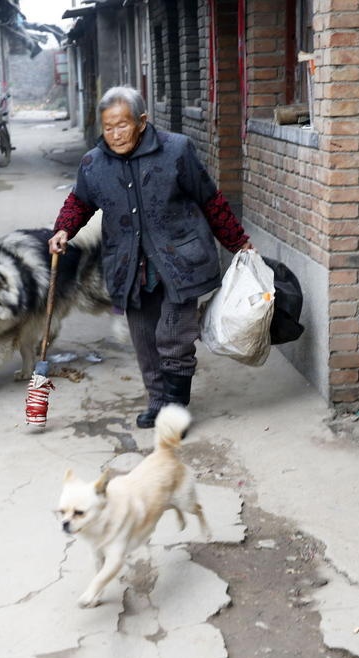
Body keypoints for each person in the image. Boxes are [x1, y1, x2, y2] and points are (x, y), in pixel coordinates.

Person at [48, 86, 253, 429]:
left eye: (122, 125)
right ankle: (157, 400)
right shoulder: (94, 164)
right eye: (108, 127)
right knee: (144, 340)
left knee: (173, 338)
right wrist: (63, 230)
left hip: (180, 262)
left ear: (142, 121)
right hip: (129, 265)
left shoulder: (176, 151)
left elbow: (210, 200)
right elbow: (80, 202)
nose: (114, 134)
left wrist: (239, 242)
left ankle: (176, 409)